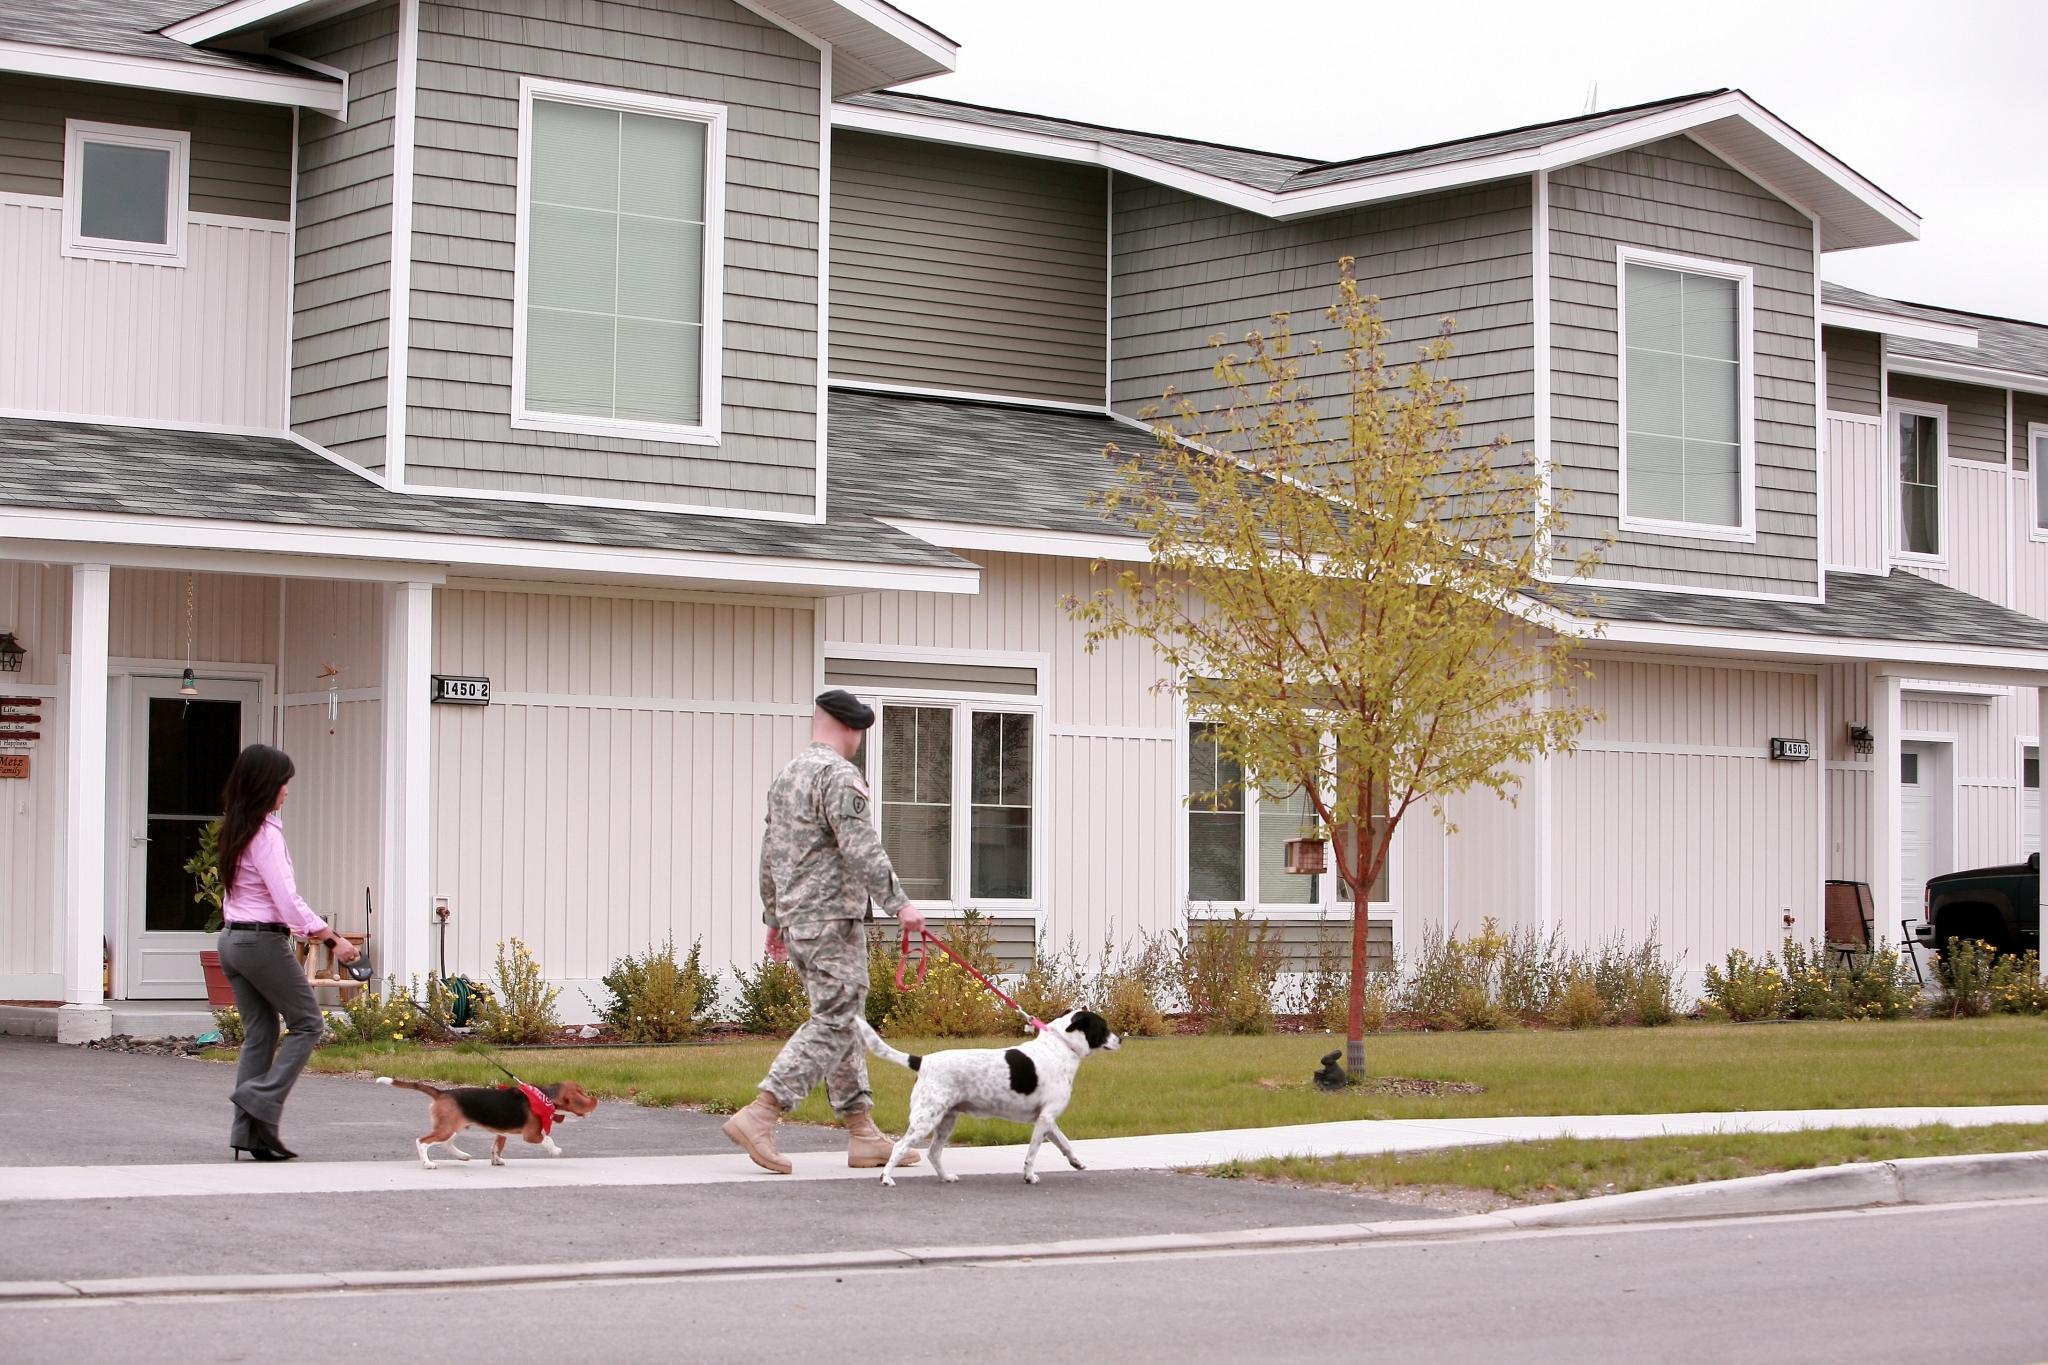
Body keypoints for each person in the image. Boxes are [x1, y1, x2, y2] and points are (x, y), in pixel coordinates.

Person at [722, 690, 926, 1174]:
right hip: (832, 918)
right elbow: (861, 848)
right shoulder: (839, 775)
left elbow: (769, 853)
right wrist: (901, 904)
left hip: (798, 919)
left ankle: (862, 1133)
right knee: (837, 1019)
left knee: (842, 1019)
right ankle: (763, 1112)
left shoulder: (787, 776)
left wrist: (774, 917)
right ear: (852, 729)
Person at [213, 744, 359, 1161]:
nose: (287, 791)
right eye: (283, 782)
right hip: (261, 942)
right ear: (266, 785)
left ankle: (251, 1135)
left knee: (261, 1035)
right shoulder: (266, 833)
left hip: (232, 941)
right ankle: (260, 1096)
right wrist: (332, 938)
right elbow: (287, 899)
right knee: (309, 1024)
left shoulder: (236, 827)